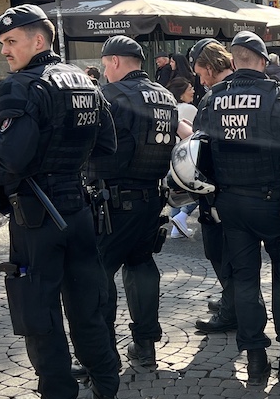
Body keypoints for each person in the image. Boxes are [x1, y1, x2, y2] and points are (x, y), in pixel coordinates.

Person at [0, 4, 122, 399]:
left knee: (41, 318)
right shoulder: (84, 80)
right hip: (77, 210)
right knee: (87, 307)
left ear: (39, 40)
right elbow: (108, 144)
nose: (5, 51)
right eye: (2, 44)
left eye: (11, 41)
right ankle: (106, 392)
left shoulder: (19, 87)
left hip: (35, 219)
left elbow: (11, 157)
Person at [200, 31, 280, 384]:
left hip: (231, 205)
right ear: (264, 63)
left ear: (234, 62)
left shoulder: (212, 100)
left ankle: (254, 357)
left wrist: (213, 201)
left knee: (244, 280)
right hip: (275, 204)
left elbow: (201, 152)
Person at [87, 35, 178, 368]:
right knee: (141, 267)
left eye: (104, 64)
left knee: (98, 272)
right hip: (151, 198)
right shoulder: (166, 96)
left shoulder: (109, 95)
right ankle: (145, 345)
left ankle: (101, 354)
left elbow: (90, 142)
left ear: (113, 61)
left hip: (113, 200)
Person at [189, 39, 240, 334]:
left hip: (217, 189)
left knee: (219, 251)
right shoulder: (242, 89)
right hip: (239, 187)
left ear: (209, 66)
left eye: (200, 72)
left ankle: (232, 308)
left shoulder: (213, 99)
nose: (200, 79)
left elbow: (203, 143)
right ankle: (231, 299)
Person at [165, 76, 198, 239]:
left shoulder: (171, 108)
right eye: (189, 89)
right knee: (196, 190)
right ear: (181, 93)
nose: (193, 91)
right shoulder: (190, 109)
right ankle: (182, 216)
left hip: (172, 157)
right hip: (187, 157)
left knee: (177, 191)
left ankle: (176, 227)